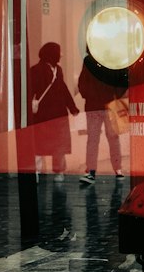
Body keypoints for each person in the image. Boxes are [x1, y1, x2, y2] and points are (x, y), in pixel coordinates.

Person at [28, 42, 78, 175]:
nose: (61, 55)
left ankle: (44, 172)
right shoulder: (36, 71)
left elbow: (63, 89)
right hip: (49, 115)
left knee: (46, 145)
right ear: (52, 54)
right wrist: (72, 108)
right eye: (59, 52)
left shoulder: (55, 70)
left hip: (50, 115)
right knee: (52, 145)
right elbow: (64, 90)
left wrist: (72, 107)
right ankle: (55, 173)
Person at [77, 58, 126, 184]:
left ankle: (91, 172)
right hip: (108, 105)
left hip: (93, 105)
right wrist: (115, 95)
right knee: (113, 138)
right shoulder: (111, 60)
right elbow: (121, 81)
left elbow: (82, 82)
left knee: (93, 140)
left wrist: (89, 95)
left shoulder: (88, 61)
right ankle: (118, 170)